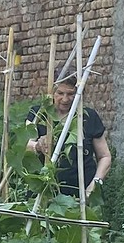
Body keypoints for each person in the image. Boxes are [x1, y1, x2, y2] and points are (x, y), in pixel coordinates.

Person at [29, 66, 110, 198]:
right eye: (60, 93)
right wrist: (37, 146)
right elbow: (25, 146)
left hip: (81, 193)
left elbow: (105, 157)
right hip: (43, 193)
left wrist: (94, 185)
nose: (65, 99)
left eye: (71, 94)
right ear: (52, 91)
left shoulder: (87, 117)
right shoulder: (40, 114)